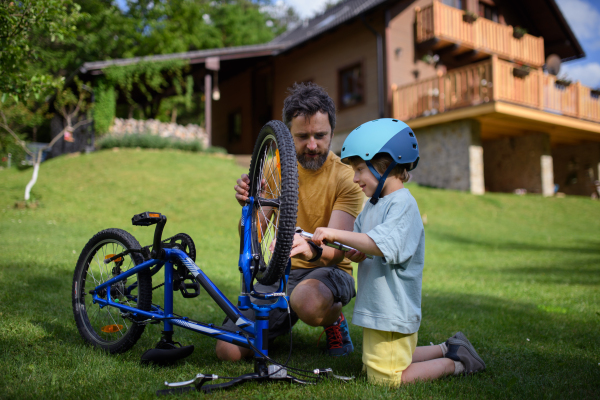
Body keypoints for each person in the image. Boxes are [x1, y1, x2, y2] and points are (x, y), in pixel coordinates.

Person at [311, 118, 486, 385]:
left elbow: (380, 244)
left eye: (359, 169)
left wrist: (335, 232)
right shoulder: (373, 204)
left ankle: (457, 363)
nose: (355, 178)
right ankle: (448, 347)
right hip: (379, 305)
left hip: (393, 307)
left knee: (387, 378)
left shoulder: (403, 204)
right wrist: (352, 250)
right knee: (378, 364)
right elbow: (364, 242)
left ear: (386, 164)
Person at [217, 82, 364, 361]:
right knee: (228, 351)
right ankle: (276, 323)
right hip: (280, 274)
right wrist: (248, 209)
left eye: (320, 135)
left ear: (332, 131)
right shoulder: (275, 167)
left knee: (306, 301)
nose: (312, 145)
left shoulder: (347, 178)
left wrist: (312, 249)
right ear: (287, 134)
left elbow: (339, 250)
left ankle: (334, 319)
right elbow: (252, 238)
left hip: (330, 270)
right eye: (302, 136)